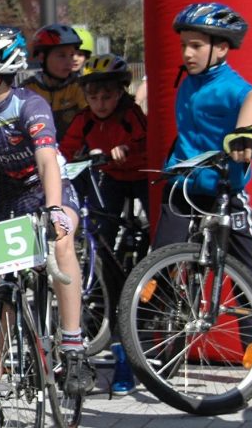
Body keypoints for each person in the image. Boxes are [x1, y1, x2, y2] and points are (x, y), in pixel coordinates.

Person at [0, 27, 94, 424]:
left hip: (49, 190)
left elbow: (47, 160)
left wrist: (56, 207)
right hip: (8, 200)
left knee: (61, 240)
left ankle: (74, 346)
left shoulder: (31, 104)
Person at [158, 2, 252, 292]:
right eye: (184, 45)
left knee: (249, 280)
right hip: (182, 188)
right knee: (156, 272)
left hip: (224, 189)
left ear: (221, 48)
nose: (187, 53)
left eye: (196, 46)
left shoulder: (237, 90)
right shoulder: (186, 83)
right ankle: (149, 336)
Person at [58, 53, 148, 396]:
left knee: (153, 228)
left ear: (121, 93)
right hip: (108, 177)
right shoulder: (84, 120)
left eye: (107, 96)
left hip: (138, 176)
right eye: (93, 97)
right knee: (103, 235)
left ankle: (152, 270)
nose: (100, 103)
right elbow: (64, 151)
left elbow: (144, 139)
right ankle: (106, 285)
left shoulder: (131, 115)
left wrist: (127, 147)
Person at [22, 23, 89, 135]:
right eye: (62, 55)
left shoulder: (79, 87)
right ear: (42, 57)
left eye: (72, 55)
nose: (69, 62)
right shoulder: (28, 89)